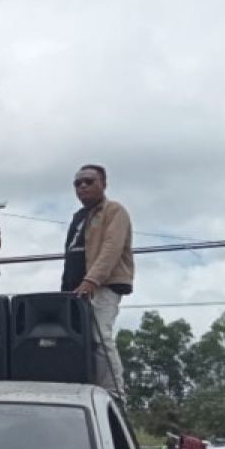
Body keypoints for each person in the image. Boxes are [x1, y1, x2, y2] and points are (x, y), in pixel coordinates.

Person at [60, 164, 133, 395]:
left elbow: (111, 248)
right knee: (78, 340)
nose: (82, 186)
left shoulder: (114, 211)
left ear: (104, 184)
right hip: (75, 289)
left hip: (102, 285)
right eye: (77, 183)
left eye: (89, 181)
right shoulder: (79, 217)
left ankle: (114, 393)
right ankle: (87, 387)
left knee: (100, 336)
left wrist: (92, 280)